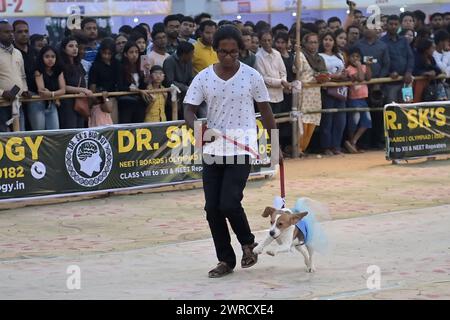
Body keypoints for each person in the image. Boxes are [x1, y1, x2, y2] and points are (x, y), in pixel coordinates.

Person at [184, 25, 281, 278]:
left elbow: (266, 112)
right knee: (212, 208)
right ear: (215, 50)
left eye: (234, 52)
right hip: (213, 149)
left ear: (241, 51)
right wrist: (198, 131)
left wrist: (276, 145)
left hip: (242, 146)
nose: (228, 57)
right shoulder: (204, 77)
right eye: (223, 52)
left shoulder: (252, 76)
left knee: (229, 202)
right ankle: (225, 260)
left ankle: (248, 244)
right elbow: (189, 108)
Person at [319, 32, 348, 156]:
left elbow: (344, 71)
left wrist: (343, 76)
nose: (328, 42)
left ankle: (337, 146)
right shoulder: (319, 56)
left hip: (340, 90)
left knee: (340, 120)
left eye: (330, 39)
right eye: (325, 39)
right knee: (328, 120)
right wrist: (336, 76)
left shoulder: (339, 55)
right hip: (326, 91)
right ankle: (326, 147)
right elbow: (320, 73)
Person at [0, 21, 30, 132]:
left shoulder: (17, 52)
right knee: (4, 140)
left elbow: (22, 76)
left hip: (17, 103)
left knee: (19, 137)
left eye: (12, 31)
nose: (11, 34)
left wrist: (25, 90)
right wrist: (3, 93)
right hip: (1, 103)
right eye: (6, 32)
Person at [28, 46, 65, 130]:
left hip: (51, 103)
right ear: (41, 58)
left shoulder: (59, 70)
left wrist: (52, 94)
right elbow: (42, 91)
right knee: (39, 133)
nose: (50, 59)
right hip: (37, 102)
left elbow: (63, 90)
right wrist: (55, 96)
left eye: (53, 56)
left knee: (55, 132)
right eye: (47, 56)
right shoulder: (38, 70)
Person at [344, 47, 372, 154]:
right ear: (349, 58)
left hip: (363, 99)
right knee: (354, 121)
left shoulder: (364, 66)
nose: (355, 59)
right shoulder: (349, 69)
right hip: (353, 99)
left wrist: (368, 66)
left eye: (357, 57)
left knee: (367, 121)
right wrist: (360, 66)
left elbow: (368, 77)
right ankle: (352, 142)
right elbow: (360, 78)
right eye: (353, 57)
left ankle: (353, 141)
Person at [163, 41, 194, 119]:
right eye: (191, 54)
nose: (193, 56)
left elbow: (190, 78)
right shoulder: (169, 61)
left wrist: (194, 86)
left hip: (186, 96)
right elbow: (170, 82)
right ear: (184, 54)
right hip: (173, 96)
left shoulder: (189, 61)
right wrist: (186, 88)